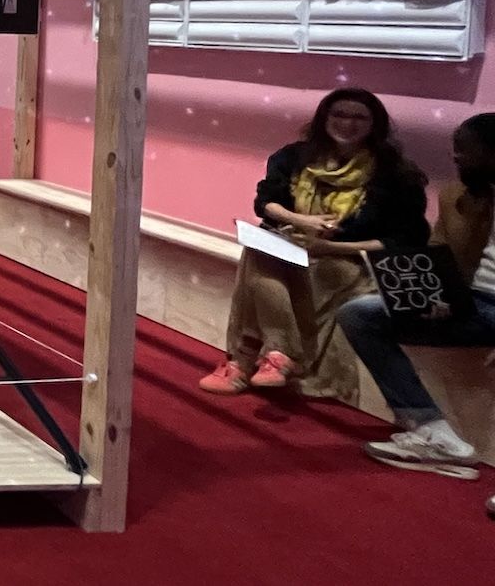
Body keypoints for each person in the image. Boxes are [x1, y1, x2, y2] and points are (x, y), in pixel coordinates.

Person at [197, 88, 429, 397]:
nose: (347, 123)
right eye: (339, 114)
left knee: (288, 270)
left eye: (359, 117)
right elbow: (266, 203)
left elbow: (406, 240)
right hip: (293, 244)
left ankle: (243, 361)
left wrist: (330, 247)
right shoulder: (294, 157)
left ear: (375, 124)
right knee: (260, 251)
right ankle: (279, 355)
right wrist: (303, 221)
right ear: (324, 119)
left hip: (350, 258)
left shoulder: (396, 173)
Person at [337, 113, 495, 468]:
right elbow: (439, 255)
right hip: (471, 302)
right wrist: (433, 294)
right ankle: (433, 432)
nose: (455, 159)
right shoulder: (459, 195)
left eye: (464, 151)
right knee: (359, 314)